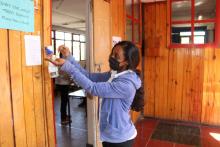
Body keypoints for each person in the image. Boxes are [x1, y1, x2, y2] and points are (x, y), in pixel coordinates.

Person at [47, 41, 144, 147]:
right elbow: (88, 76)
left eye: (116, 56)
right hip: (111, 135)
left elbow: (93, 88)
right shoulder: (114, 74)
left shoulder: (126, 84)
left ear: (126, 62)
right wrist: (69, 57)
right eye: (112, 53)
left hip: (120, 139)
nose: (111, 57)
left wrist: (68, 66)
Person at [55, 46, 72, 125]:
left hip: (59, 83)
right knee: (64, 101)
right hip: (63, 84)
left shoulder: (58, 61)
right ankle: (63, 118)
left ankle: (64, 115)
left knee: (64, 101)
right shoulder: (63, 62)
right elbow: (67, 74)